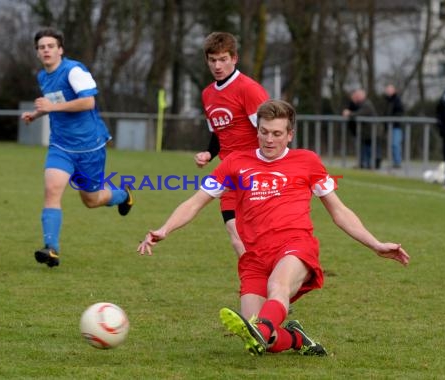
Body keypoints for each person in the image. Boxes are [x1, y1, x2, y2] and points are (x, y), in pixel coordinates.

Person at [138, 99, 409, 357]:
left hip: (295, 246)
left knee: (277, 287)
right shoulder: (235, 164)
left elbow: (339, 211)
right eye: (264, 132)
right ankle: (296, 338)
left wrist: (375, 244)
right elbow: (195, 202)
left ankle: (263, 327)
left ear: (290, 134)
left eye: (277, 134)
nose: (269, 140)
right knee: (262, 339)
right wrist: (165, 229)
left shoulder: (307, 162)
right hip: (255, 257)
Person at [21, 27, 133, 267]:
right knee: (52, 190)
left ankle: (123, 195)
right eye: (42, 47)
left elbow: (87, 101)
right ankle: (51, 249)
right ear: (38, 53)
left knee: (91, 201)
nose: (46, 50)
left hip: (89, 147)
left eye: (51, 46)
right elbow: (55, 102)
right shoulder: (43, 76)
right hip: (60, 146)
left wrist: (50, 108)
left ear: (60, 50)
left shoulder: (74, 70)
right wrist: (37, 114)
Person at [193, 32, 269, 258]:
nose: (218, 65)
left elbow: (269, 133)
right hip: (229, 173)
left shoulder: (249, 89)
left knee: (259, 235)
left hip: (254, 171)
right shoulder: (207, 94)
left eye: (223, 59)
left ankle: (275, 281)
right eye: (212, 60)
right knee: (235, 234)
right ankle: (256, 282)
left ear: (234, 58)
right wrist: (209, 153)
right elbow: (218, 134)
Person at [342, 89, 381, 169]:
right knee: (365, 149)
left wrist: (349, 113)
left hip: (371, 132)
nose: (357, 97)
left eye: (358, 95)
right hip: (365, 133)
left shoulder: (367, 104)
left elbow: (360, 113)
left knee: (372, 149)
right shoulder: (359, 104)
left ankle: (372, 164)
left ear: (363, 95)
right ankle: (365, 164)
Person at [382, 84, 405, 169]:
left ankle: (397, 162)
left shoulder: (397, 100)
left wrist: (393, 119)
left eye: (389, 90)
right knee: (391, 144)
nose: (388, 91)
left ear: (394, 90)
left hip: (396, 126)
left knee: (395, 144)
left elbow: (400, 112)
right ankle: (393, 161)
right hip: (389, 126)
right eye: (387, 90)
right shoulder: (387, 101)